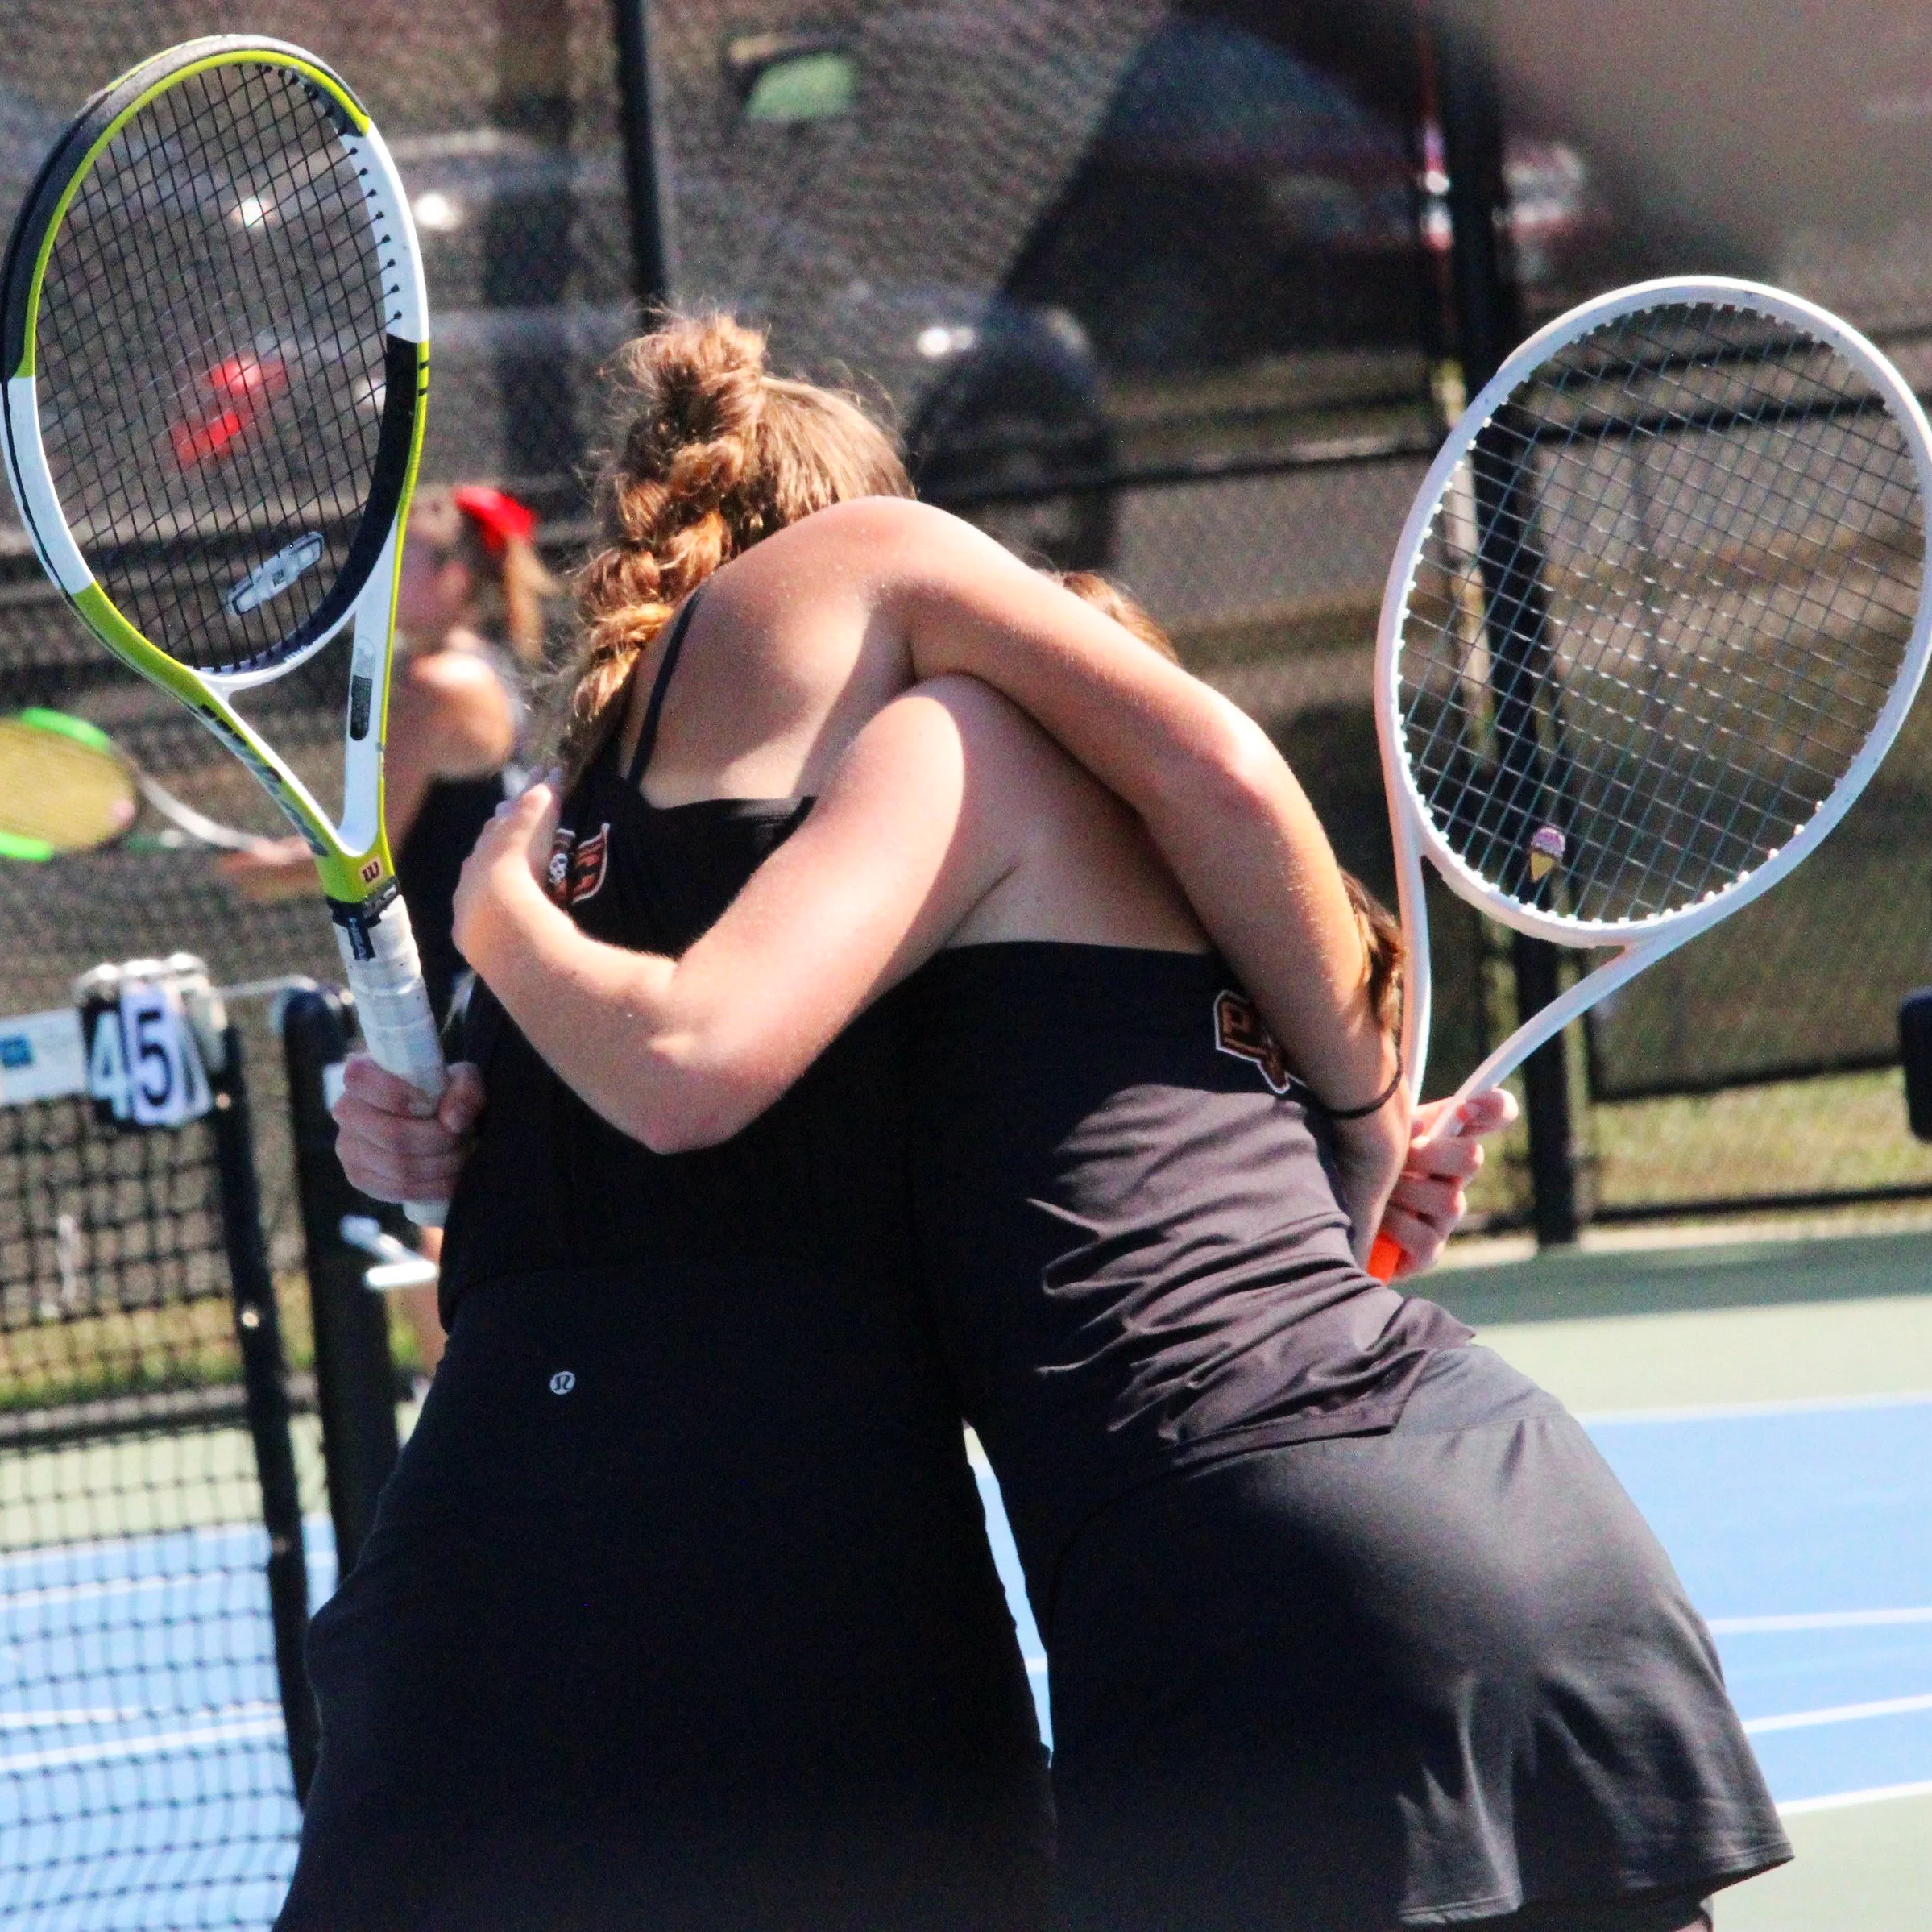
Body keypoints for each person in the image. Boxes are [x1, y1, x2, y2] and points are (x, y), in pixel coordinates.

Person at [409, 555, 1789, 1928]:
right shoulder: (1197, 937)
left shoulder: (954, 762)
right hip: (1524, 1493)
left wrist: (502, 922)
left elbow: (682, 1072)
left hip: (1254, 1579)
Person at [280, 314, 1420, 1932]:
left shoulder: (572, 831)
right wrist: (1355, 1115)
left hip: (477, 1540)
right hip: (807, 1542)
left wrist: (428, 1103)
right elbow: (1214, 801)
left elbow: (486, 1154)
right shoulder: (884, 657)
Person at [221, 483, 553, 1373]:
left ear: (455, 577)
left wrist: (275, 871)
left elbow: (366, 846)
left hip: (453, 995)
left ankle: (472, 1398)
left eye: (400, 562)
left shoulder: (435, 684)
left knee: (424, 1209)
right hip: (491, 979)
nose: (378, 582)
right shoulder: (484, 668)